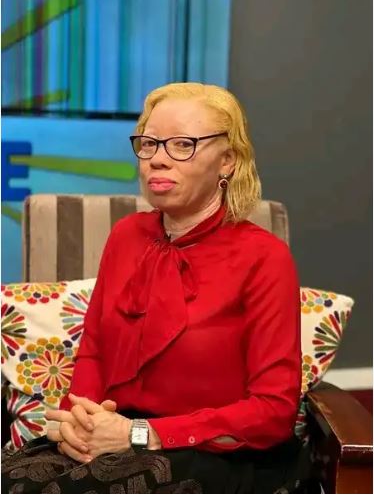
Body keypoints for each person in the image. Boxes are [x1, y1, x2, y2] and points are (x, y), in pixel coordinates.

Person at [2, 82, 311, 494]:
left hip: (216, 453)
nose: (158, 161)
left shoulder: (265, 257)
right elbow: (94, 350)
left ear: (228, 162)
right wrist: (77, 425)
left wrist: (138, 434)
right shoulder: (126, 236)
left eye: (182, 145)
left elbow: (273, 412)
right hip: (112, 436)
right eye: (149, 144)